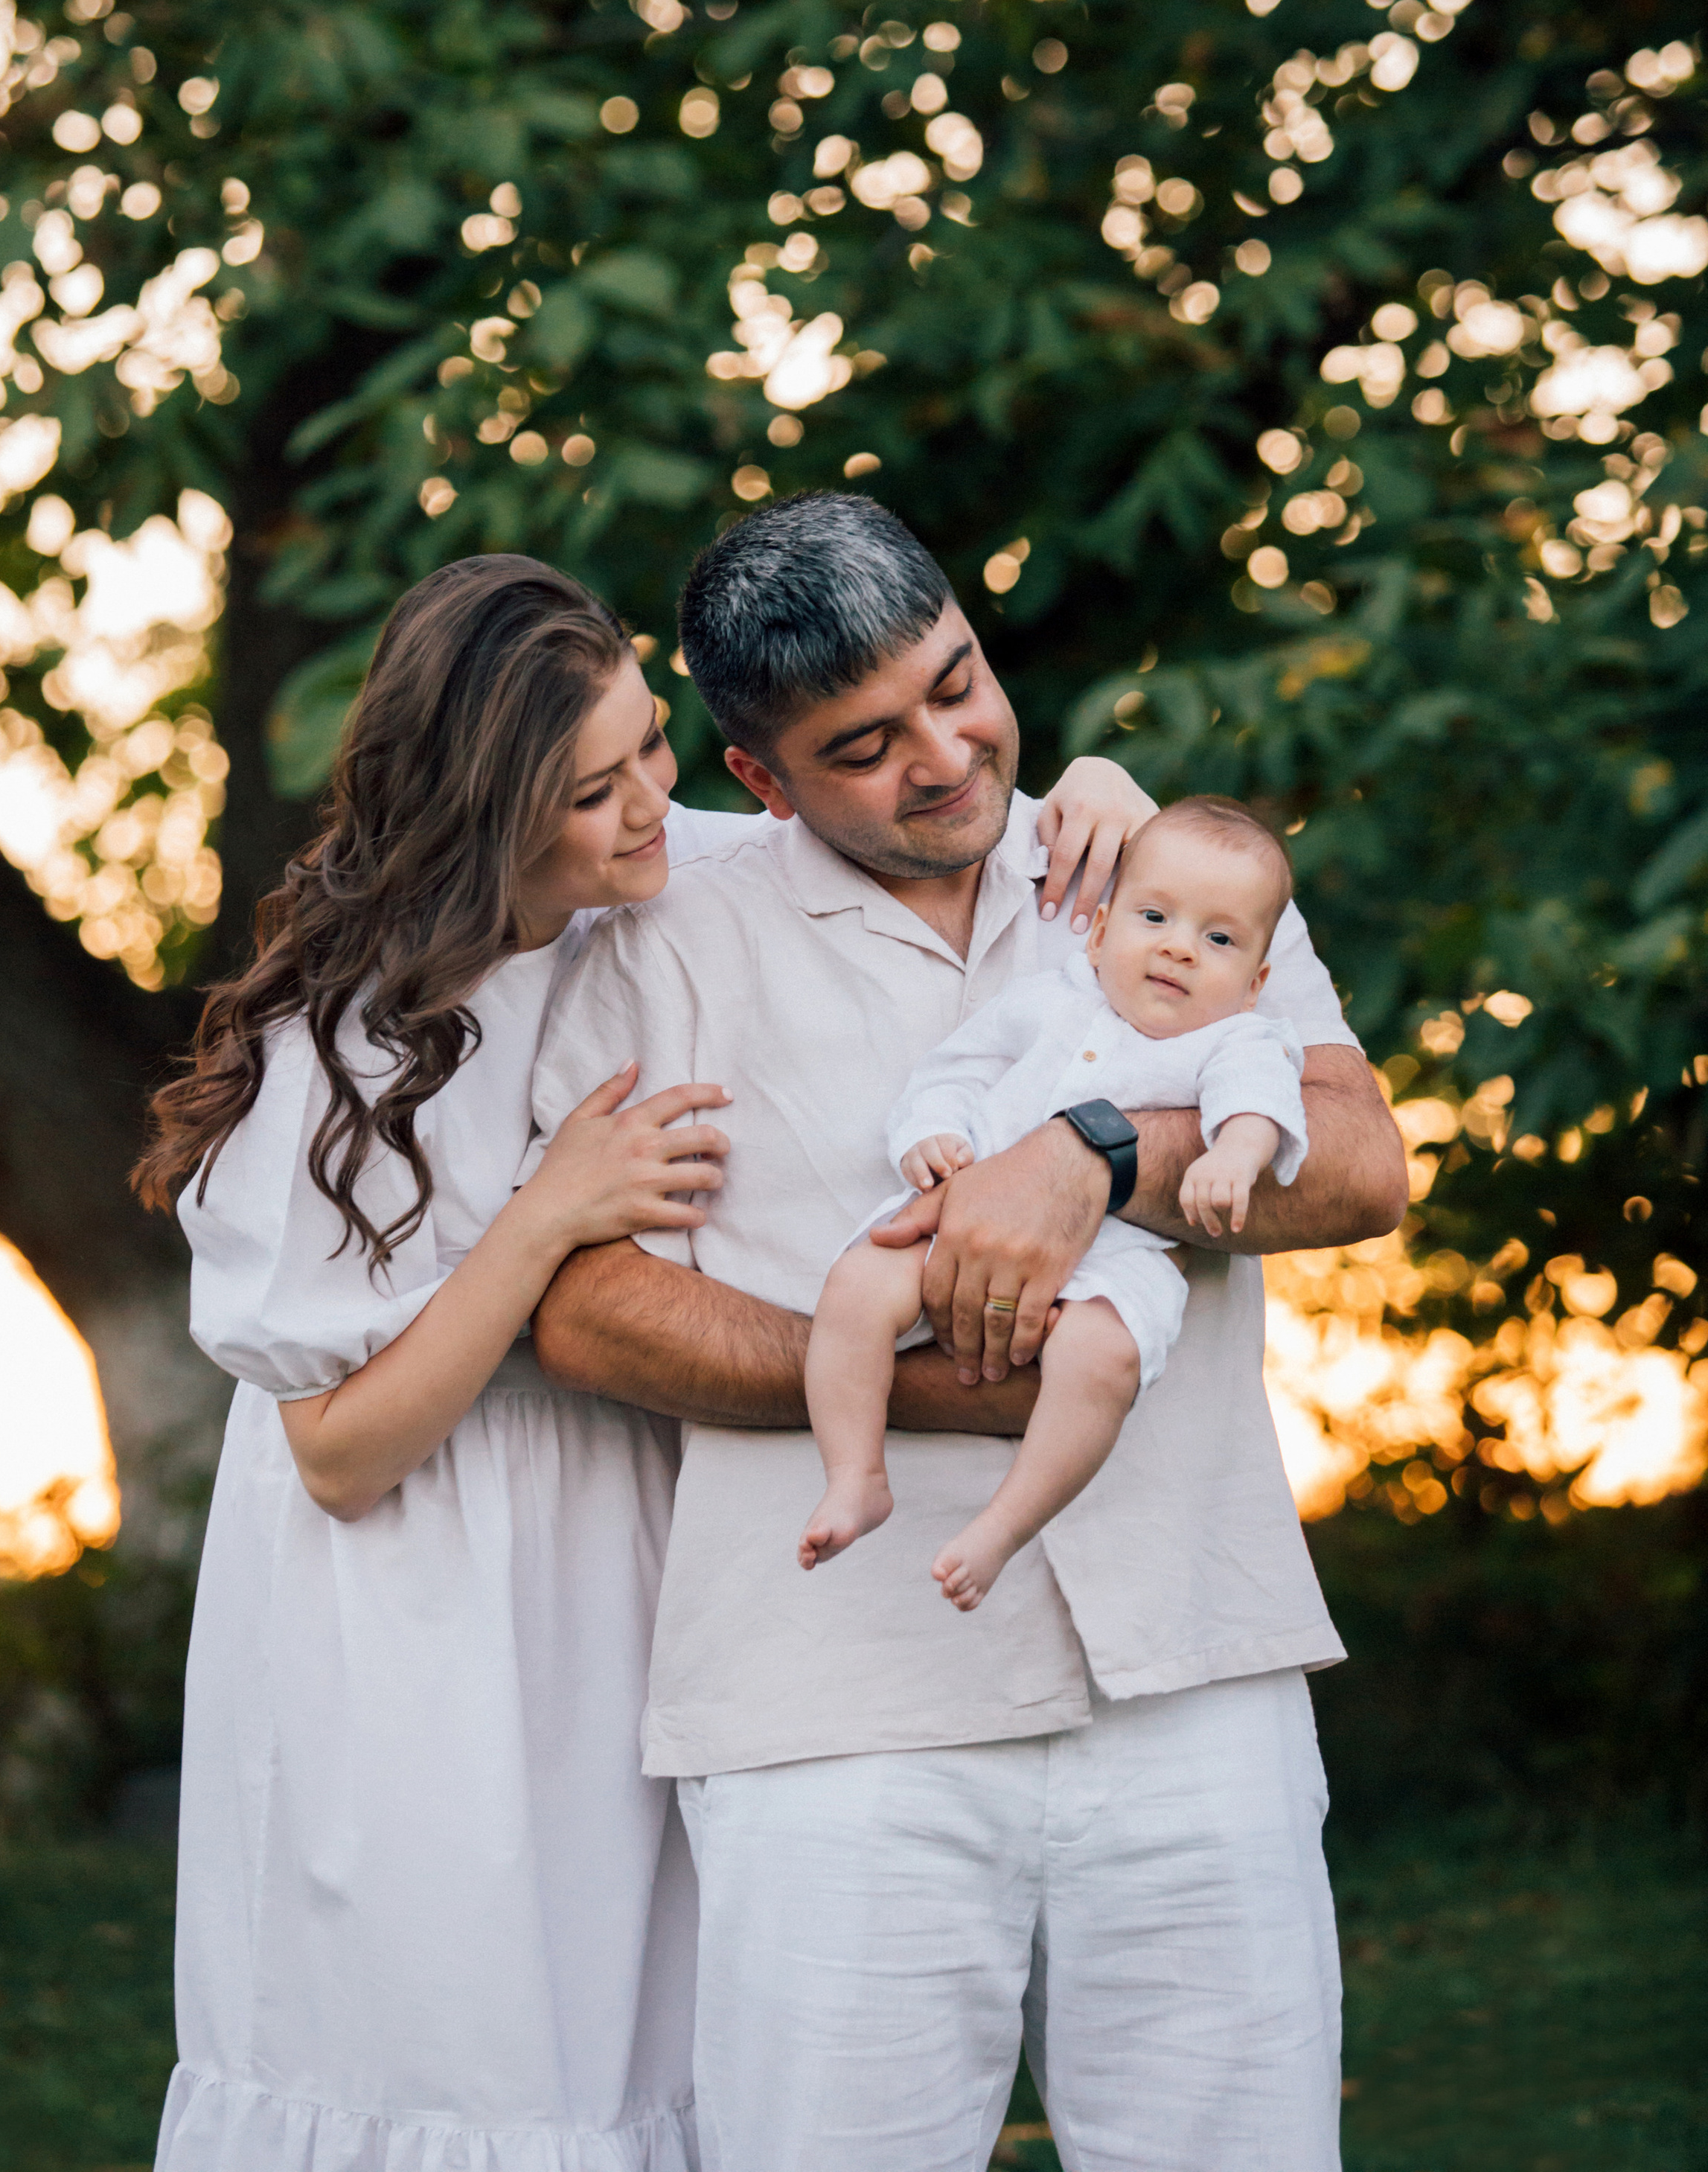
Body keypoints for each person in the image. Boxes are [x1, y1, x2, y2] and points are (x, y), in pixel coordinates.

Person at [134, 549, 1149, 2172]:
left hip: (631, 1550)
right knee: (468, 2037)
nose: (649, 813)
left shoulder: (673, 879)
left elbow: (921, 821)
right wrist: (539, 1224)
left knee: (660, 2037)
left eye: (650, 752)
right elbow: (335, 1453)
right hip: (419, 1601)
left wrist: (1097, 790)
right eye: (592, 791)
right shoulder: (342, 1045)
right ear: (481, 813)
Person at [527, 494, 1410, 2172]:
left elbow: (1357, 1162)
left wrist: (1093, 1160)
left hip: (1192, 1666)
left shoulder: (1169, 876)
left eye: (957, 683)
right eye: (864, 746)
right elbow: (587, 1307)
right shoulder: (662, 946)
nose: (943, 754)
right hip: (837, 1706)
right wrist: (933, 1393)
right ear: (763, 782)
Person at [799, 794, 1307, 1614]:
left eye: (1217, 939)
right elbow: (955, 1071)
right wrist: (930, 1136)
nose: (1179, 948)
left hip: (1118, 1256)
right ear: (1101, 933)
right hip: (967, 1214)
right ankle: (854, 1475)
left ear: (1253, 984)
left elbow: (1256, 1100)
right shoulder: (1045, 1003)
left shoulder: (1234, 1039)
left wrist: (1236, 1155)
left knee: (1104, 1359)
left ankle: (1002, 1526)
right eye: (1154, 917)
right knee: (857, 1284)